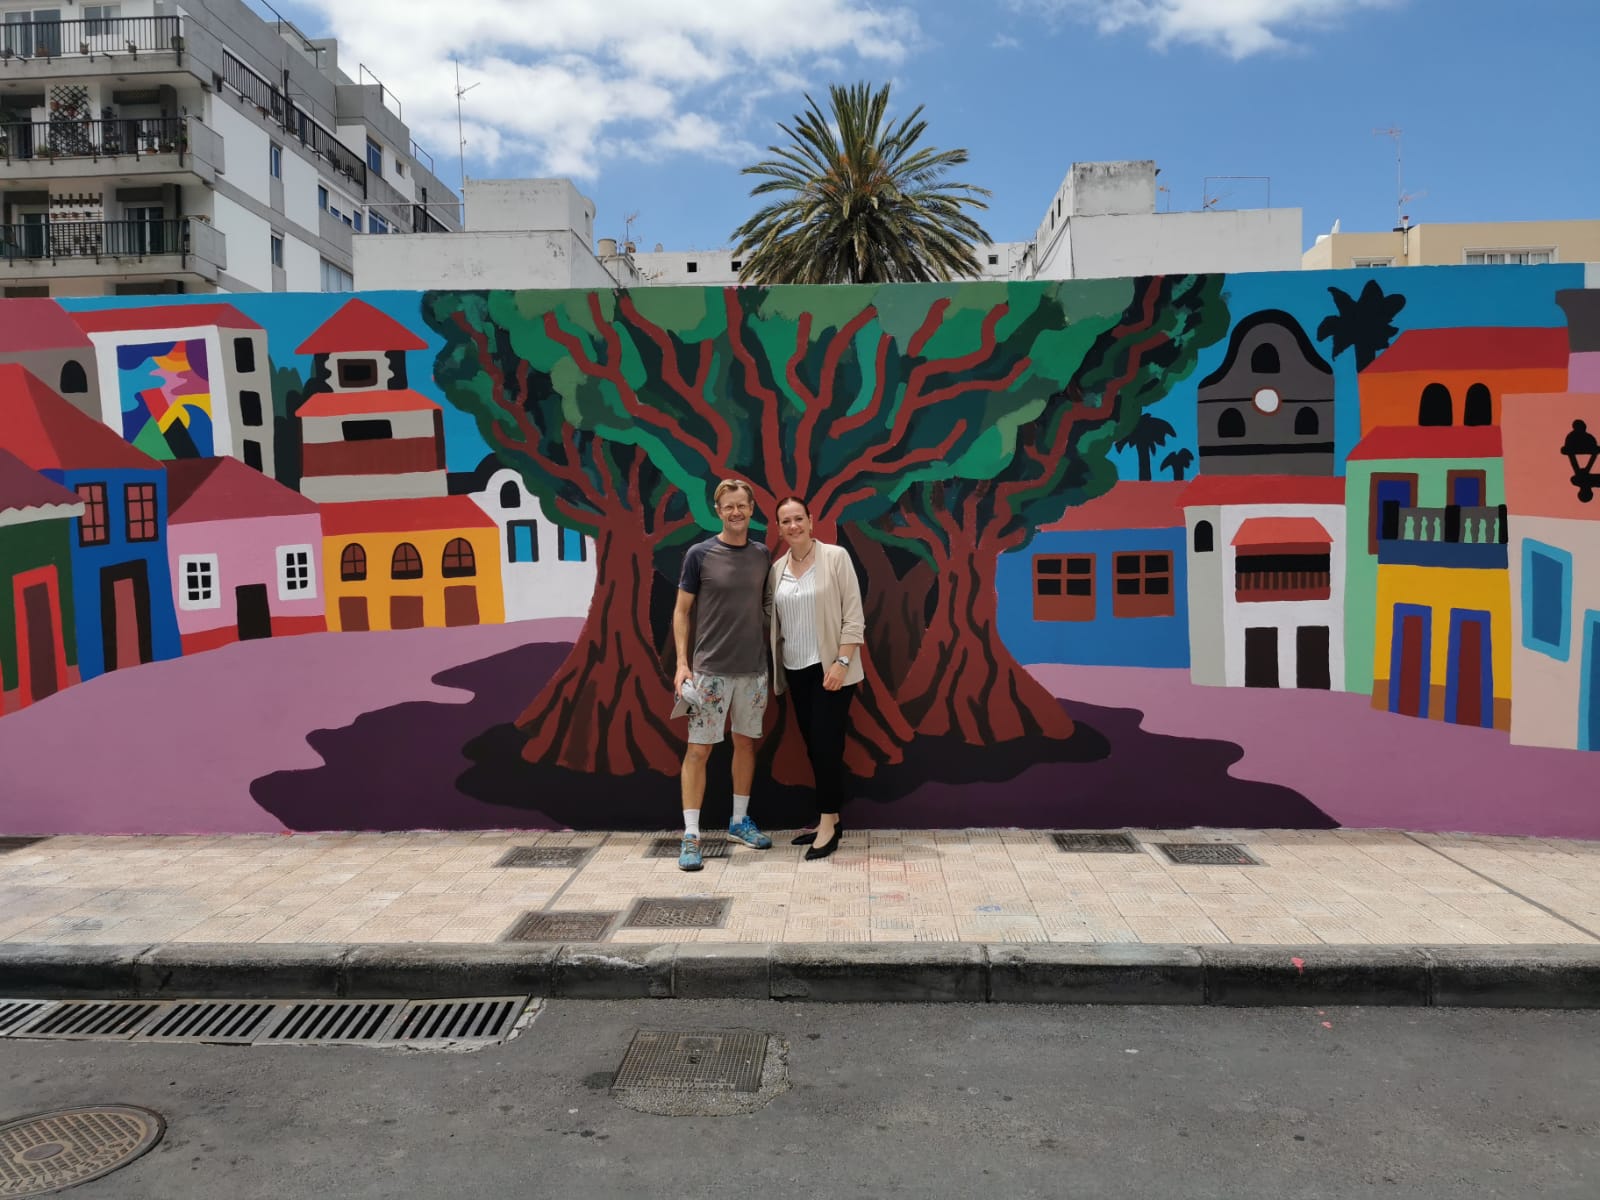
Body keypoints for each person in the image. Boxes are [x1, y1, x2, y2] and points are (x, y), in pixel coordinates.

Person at [670, 478, 774, 871]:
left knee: (746, 745)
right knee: (698, 750)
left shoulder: (762, 554)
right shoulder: (699, 554)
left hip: (753, 671)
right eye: (728, 506)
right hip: (710, 672)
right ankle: (692, 835)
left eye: (742, 506)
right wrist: (683, 665)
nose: (735, 512)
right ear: (718, 510)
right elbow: (682, 611)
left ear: (751, 509)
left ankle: (738, 822)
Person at [766, 496, 865, 861]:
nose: (793, 526)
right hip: (796, 669)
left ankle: (827, 825)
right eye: (785, 521)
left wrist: (841, 662)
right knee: (813, 745)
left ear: (811, 520)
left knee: (826, 746)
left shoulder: (835, 558)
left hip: (832, 670)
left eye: (798, 519)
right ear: (779, 528)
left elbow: (854, 616)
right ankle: (832, 816)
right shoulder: (776, 569)